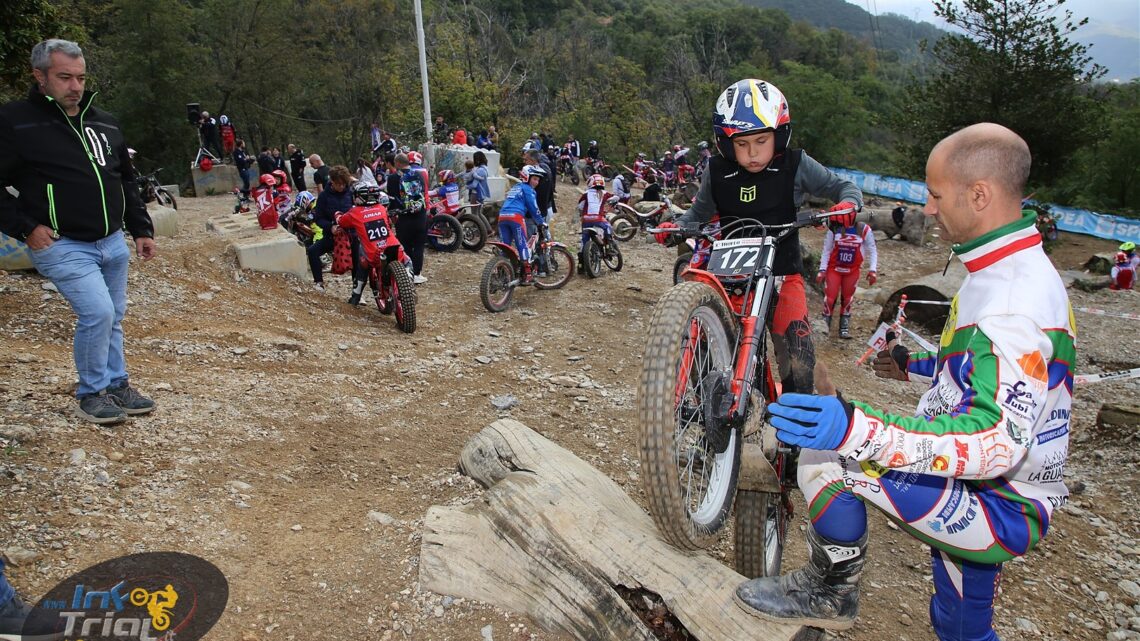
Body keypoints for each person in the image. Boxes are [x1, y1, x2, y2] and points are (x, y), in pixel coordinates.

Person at [735, 123, 1074, 641]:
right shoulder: (1007, 270)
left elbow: (996, 441)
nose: (930, 209)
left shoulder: (1011, 302)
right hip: (1003, 489)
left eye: (937, 195)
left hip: (997, 497)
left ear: (979, 194)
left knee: (829, 461)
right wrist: (914, 366)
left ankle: (833, 591)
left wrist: (854, 430)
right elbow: (991, 377)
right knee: (958, 625)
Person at [667, 79, 861, 398]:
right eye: (742, 144)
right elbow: (698, 213)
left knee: (797, 354)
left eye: (761, 141)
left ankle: (791, 431)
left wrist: (848, 205)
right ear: (726, 144)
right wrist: (677, 225)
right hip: (730, 275)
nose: (753, 153)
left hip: (783, 275)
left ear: (779, 135)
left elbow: (843, 187)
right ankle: (711, 408)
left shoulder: (796, 165)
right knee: (703, 338)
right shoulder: (717, 171)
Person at [0, 38, 157, 425]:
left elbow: (125, 179)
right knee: (98, 312)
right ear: (40, 77)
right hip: (61, 242)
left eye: (81, 77)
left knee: (113, 315)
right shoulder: (15, 121)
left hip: (110, 240)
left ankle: (117, 384)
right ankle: (91, 393)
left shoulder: (103, 121)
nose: (75, 86)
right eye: (64, 77)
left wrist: (141, 228)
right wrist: (26, 228)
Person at [336, 183, 409, 306]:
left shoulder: (355, 212)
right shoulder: (381, 208)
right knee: (407, 261)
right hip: (394, 247)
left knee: (362, 261)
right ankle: (409, 283)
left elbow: (341, 222)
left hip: (373, 254)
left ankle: (356, 296)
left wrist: (337, 214)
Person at [817, 208, 878, 338]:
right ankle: (825, 323)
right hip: (834, 269)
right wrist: (822, 270)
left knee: (848, 298)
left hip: (852, 271)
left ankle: (844, 326)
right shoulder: (834, 228)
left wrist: (873, 270)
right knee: (830, 297)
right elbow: (827, 249)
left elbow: (872, 249)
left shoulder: (864, 229)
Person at [306, 165, 353, 291]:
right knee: (312, 251)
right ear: (331, 181)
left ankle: (357, 290)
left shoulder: (351, 192)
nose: (341, 187)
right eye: (338, 184)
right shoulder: (324, 196)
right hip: (332, 235)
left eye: (344, 184)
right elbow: (318, 218)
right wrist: (330, 226)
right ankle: (318, 282)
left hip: (352, 235)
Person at [497, 164, 546, 284]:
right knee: (522, 244)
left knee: (505, 247)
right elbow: (534, 209)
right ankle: (528, 275)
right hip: (516, 218)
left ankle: (501, 273)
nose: (536, 182)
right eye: (534, 179)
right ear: (527, 177)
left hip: (502, 217)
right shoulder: (529, 190)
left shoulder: (515, 187)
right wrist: (541, 222)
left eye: (538, 180)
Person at [393, 153, 429, 284]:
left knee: (405, 245)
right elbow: (423, 193)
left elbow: (392, 198)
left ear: (397, 163)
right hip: (420, 214)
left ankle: (407, 273)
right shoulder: (419, 175)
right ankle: (418, 274)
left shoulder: (393, 178)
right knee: (419, 245)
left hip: (403, 215)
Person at [576, 173, 615, 274]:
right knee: (608, 228)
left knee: (584, 241)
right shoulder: (604, 193)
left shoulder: (585, 194)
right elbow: (615, 198)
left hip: (586, 220)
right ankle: (609, 247)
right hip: (599, 219)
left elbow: (580, 206)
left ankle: (580, 265)